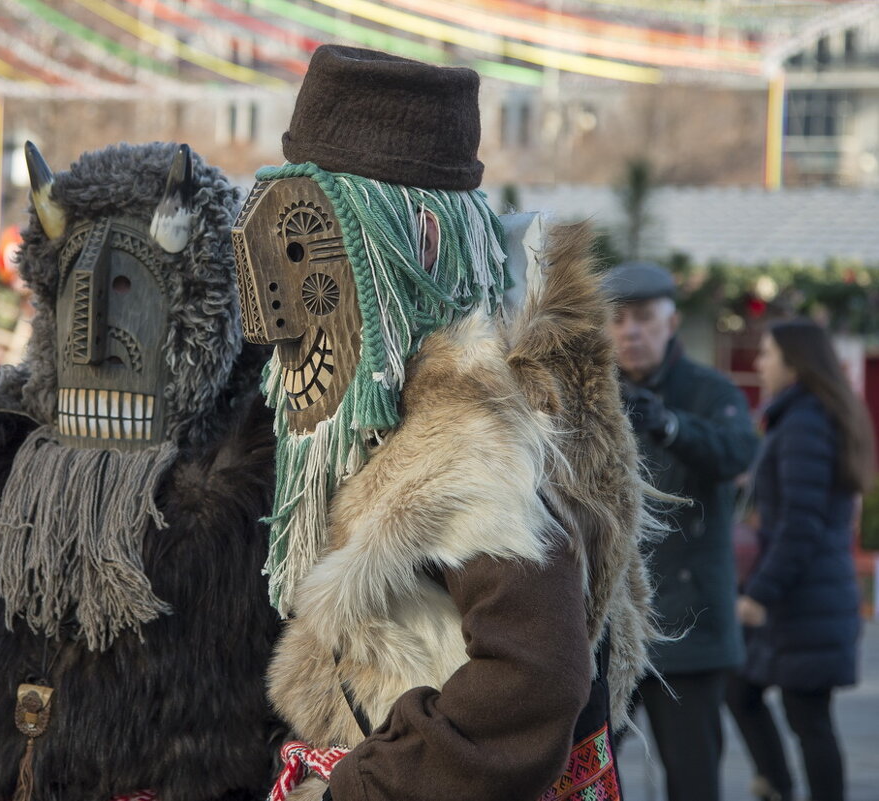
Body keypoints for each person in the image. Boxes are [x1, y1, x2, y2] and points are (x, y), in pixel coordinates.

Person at [235, 45, 658, 801]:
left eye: (307, 249)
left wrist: (364, 787)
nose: (282, 301)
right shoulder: (384, 418)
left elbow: (534, 675)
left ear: (418, 244)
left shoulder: (467, 430)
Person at [0, 142, 281, 801]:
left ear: (199, 304)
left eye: (126, 287)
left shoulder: (262, 459)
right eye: (78, 289)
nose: (97, 333)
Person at [602, 261, 759, 801]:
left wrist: (671, 426)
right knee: (587, 777)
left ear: (671, 322)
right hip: (610, 629)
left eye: (643, 317)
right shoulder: (591, 393)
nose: (630, 331)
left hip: (692, 630)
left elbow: (738, 452)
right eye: (617, 320)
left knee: (693, 781)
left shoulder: (710, 390)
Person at [726, 318, 873, 801]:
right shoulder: (805, 416)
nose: (760, 363)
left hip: (803, 595)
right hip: (804, 593)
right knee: (747, 690)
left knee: (808, 717)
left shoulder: (806, 423)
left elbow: (801, 523)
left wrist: (759, 593)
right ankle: (777, 785)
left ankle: (783, 786)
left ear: (795, 363)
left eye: (767, 354)